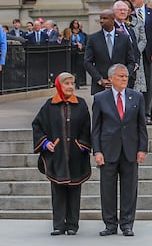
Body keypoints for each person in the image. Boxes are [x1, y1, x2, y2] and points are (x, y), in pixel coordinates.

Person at [32, 72, 92, 236]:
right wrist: (45, 143)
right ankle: (58, 224)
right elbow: (37, 125)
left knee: (74, 191)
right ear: (59, 85)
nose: (70, 87)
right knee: (57, 191)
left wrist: (81, 145)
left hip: (75, 156)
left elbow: (87, 127)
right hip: (56, 156)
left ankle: (72, 224)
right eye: (66, 84)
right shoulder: (49, 105)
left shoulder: (81, 104)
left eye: (72, 83)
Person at [91, 64, 148, 237]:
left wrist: (142, 149)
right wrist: (97, 151)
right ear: (110, 79)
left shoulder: (136, 97)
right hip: (108, 150)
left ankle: (127, 224)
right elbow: (96, 128)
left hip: (130, 150)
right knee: (107, 189)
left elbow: (141, 126)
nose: (125, 79)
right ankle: (110, 224)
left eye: (126, 76)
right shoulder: (100, 98)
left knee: (129, 189)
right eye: (121, 76)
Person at [84, 10, 136, 95]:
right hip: (100, 87)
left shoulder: (124, 38)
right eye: (100, 18)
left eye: (105, 18)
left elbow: (131, 61)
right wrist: (99, 79)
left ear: (113, 19)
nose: (101, 21)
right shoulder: (93, 39)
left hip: (121, 86)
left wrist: (123, 77)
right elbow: (87, 62)